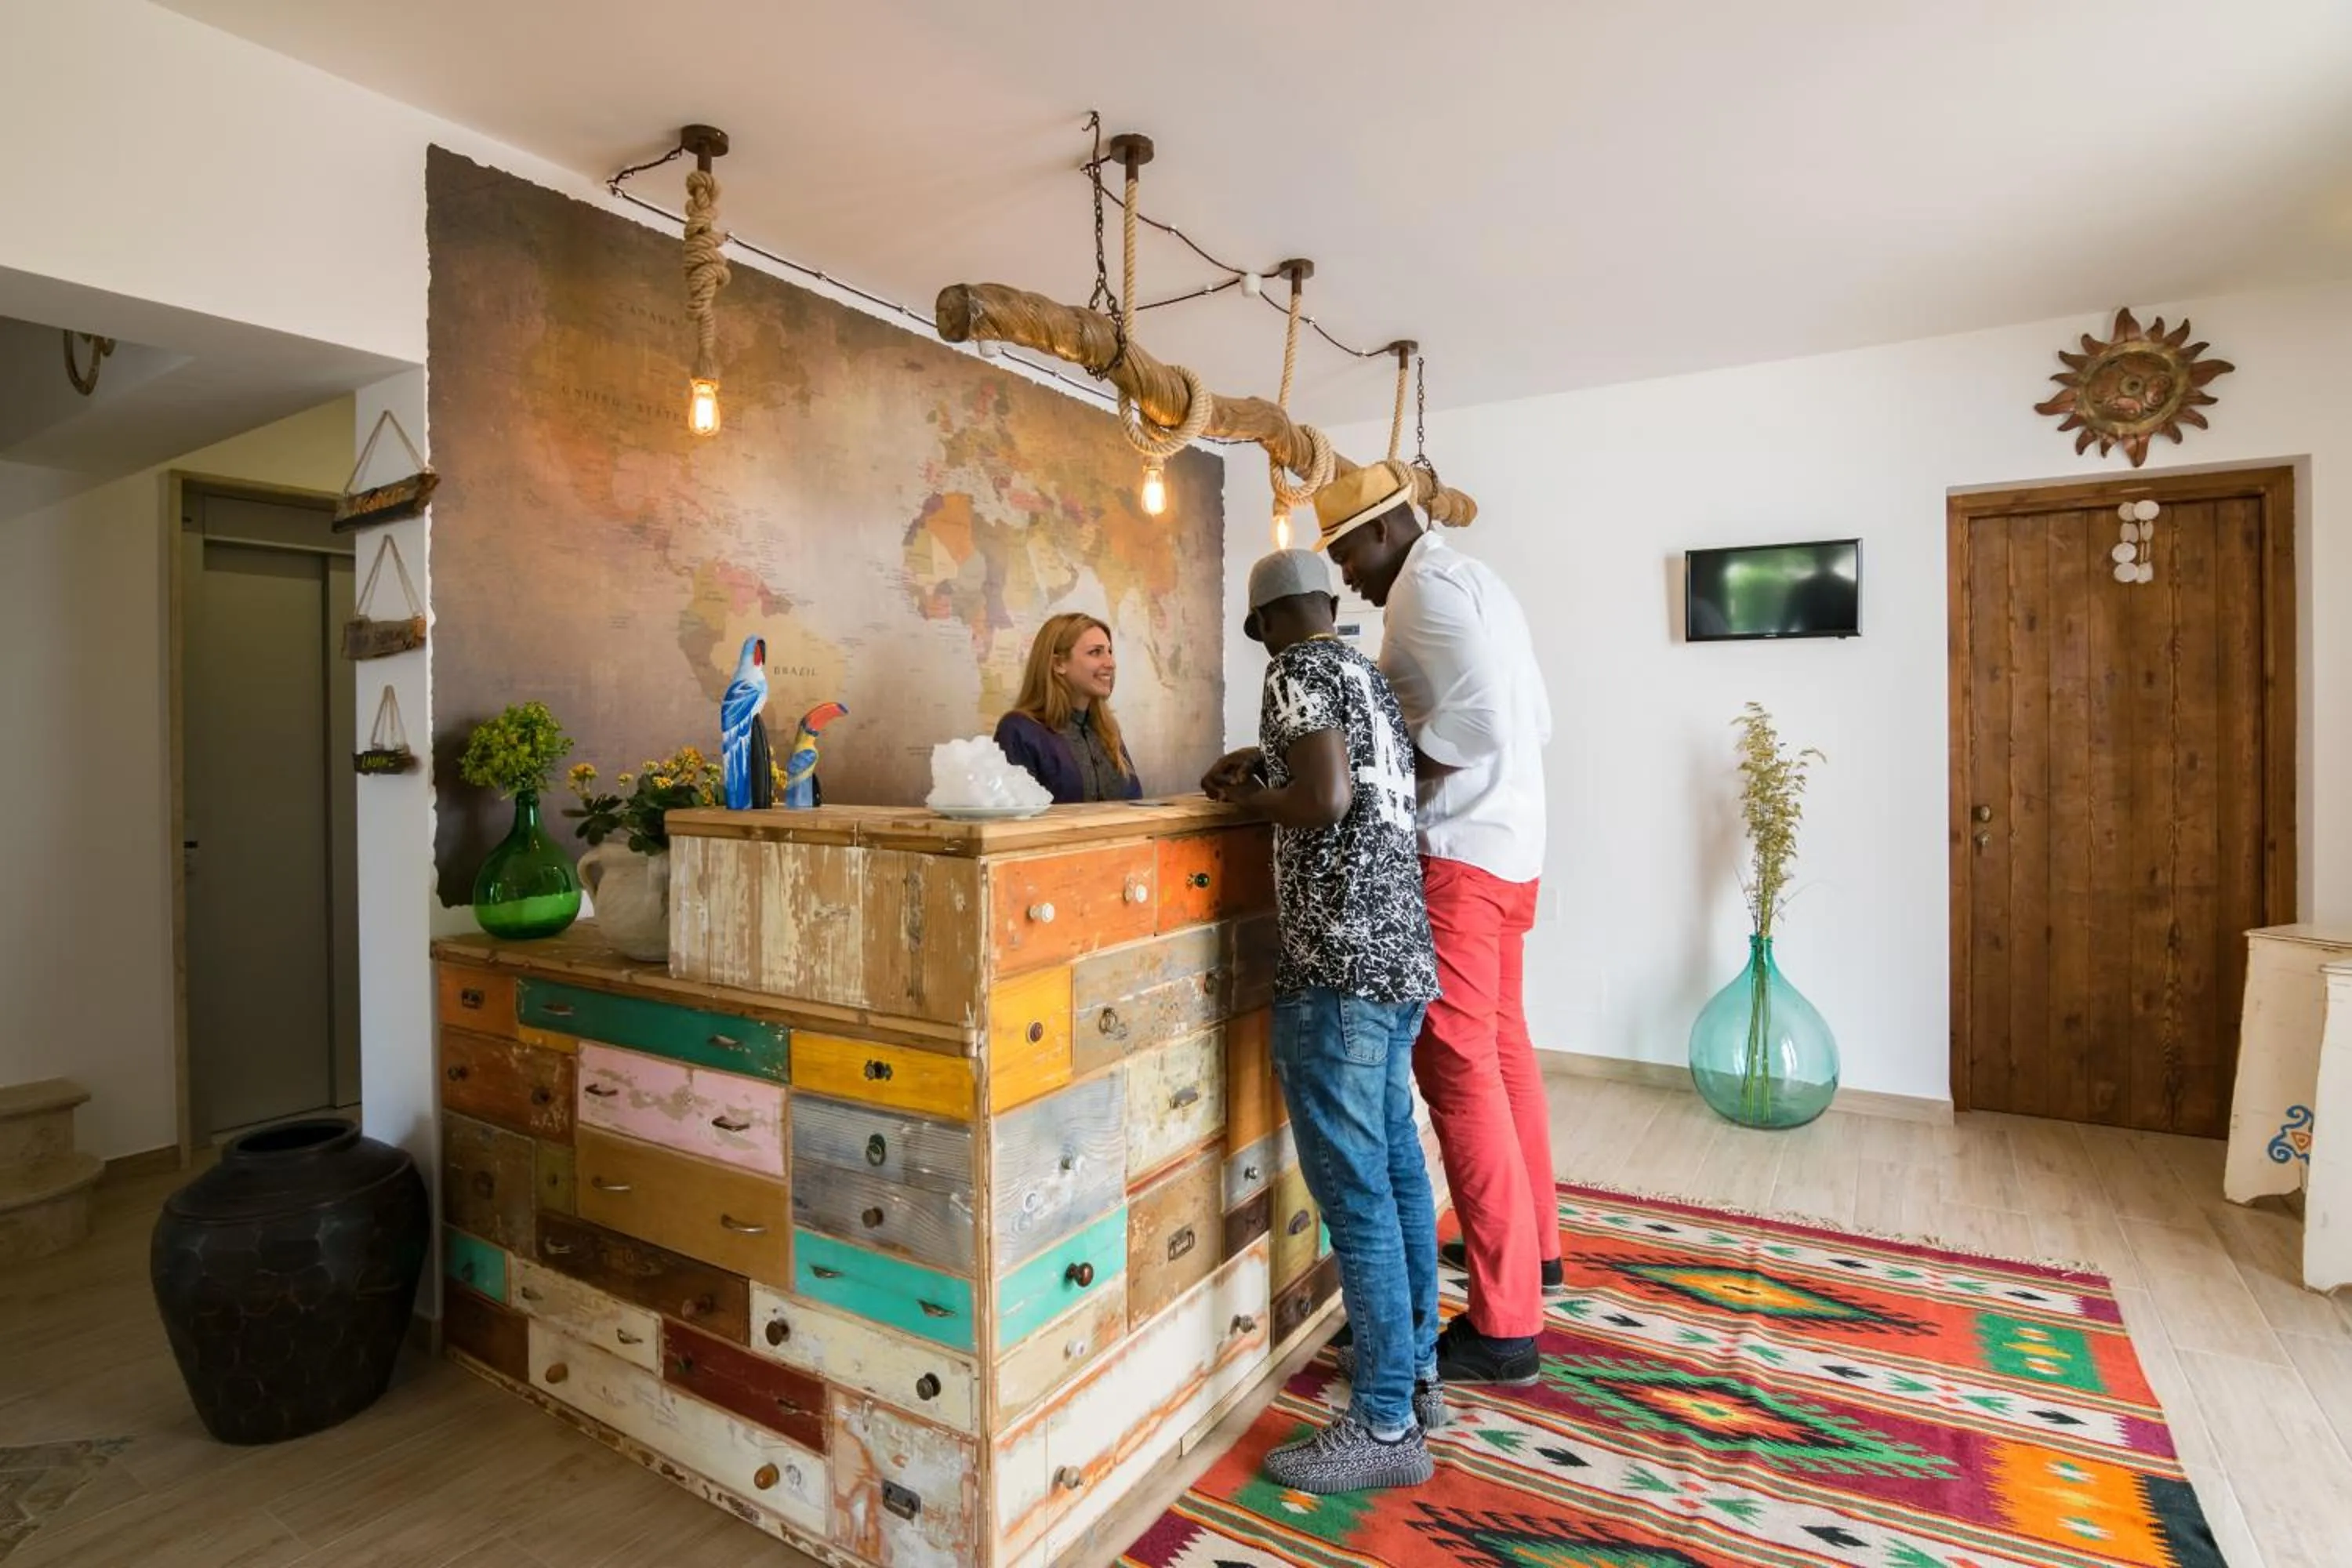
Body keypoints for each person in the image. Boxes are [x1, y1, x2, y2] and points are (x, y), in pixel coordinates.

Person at [1202, 549, 1443, 1493]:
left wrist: (1260, 795)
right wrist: (1267, 768)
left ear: (1260, 623)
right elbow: (1373, 791)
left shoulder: (1292, 669)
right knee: (1396, 1173)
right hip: (1399, 959)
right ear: (1328, 603)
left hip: (1335, 971)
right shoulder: (1364, 675)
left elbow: (1323, 798)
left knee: (1358, 1204)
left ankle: (1383, 1428)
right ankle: (1415, 1377)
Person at [1322, 459, 1557, 1387]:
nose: (1346, 573)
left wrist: (1395, 772)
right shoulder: (1478, 579)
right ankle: (1534, 1257)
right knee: (1501, 1050)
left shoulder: (1421, 594)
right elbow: (1535, 716)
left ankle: (1504, 1325)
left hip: (1460, 853)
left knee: (1455, 1073)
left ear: (1382, 530)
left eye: (1346, 552)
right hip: (1516, 842)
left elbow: (1490, 719)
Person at [993, 613, 1142, 804]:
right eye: (1095, 652)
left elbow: (1135, 803)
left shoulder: (1107, 729)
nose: (1110, 664)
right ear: (1058, 664)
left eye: (1109, 652)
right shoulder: (1019, 730)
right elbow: (1014, 819)